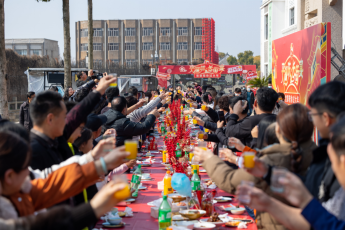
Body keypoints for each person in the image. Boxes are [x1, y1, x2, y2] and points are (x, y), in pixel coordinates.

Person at [193, 103, 315, 229]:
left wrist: (209, 159)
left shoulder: (274, 158)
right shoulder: (319, 155)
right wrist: (238, 155)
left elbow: (231, 180)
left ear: (277, 130)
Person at [0, 130, 130, 218]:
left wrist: (96, 161)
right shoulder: (7, 213)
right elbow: (41, 224)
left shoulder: (20, 187)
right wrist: (94, 208)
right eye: (26, 168)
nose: (30, 172)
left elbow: (51, 178)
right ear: (9, 176)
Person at [29, 75, 116, 171]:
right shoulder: (32, 151)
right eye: (64, 117)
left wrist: (99, 90)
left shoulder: (56, 137)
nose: (68, 120)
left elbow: (78, 113)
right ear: (50, 119)